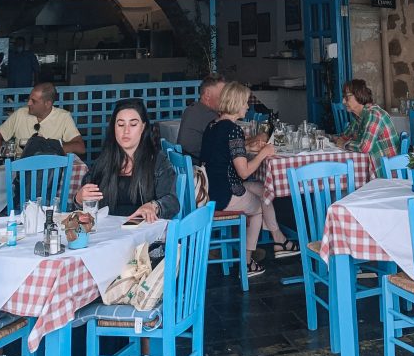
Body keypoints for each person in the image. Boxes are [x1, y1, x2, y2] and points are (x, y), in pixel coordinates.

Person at [200, 82, 298, 278]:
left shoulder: (213, 125)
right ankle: (246, 264)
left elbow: (226, 151)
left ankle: (279, 240)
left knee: (264, 190)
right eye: (245, 102)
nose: (247, 106)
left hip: (211, 187)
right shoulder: (233, 129)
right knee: (257, 210)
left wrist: (249, 148)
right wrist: (263, 153)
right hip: (224, 194)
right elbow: (244, 173)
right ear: (236, 103)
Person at [76, 99, 179, 220]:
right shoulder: (104, 161)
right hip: (109, 232)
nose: (126, 131)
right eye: (120, 124)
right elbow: (86, 206)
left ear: (143, 127)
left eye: (133, 124)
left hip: (145, 234)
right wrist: (78, 199)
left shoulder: (157, 162)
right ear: (114, 127)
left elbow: (172, 202)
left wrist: (154, 206)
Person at [0, 82, 85, 157]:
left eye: (33, 101)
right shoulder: (20, 114)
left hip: (49, 169)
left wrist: (51, 149)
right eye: (29, 99)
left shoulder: (63, 117)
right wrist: (0, 159)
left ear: (47, 104)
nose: (29, 103)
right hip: (19, 169)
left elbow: (80, 147)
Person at [334, 78, 399, 173]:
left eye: (347, 97)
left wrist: (344, 144)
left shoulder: (374, 114)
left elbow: (365, 147)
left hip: (386, 173)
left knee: (340, 173)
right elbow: (344, 136)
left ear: (359, 95)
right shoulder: (358, 117)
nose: (343, 101)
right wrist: (326, 137)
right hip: (371, 165)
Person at [177, 73, 225, 161]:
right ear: (207, 94)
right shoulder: (208, 115)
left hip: (188, 165)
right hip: (198, 167)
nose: (225, 98)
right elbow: (228, 143)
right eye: (222, 93)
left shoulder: (192, 109)